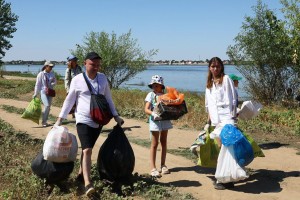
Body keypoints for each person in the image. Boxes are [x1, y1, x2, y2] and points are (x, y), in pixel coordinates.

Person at [54, 52, 124, 196]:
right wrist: (59, 119)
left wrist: (116, 116)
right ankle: (88, 183)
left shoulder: (103, 78)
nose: (96, 67)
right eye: (93, 64)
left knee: (89, 148)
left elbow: (108, 99)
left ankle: (80, 174)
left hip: (98, 120)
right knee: (87, 150)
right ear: (85, 63)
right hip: (83, 119)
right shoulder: (77, 80)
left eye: (98, 65)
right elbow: (69, 100)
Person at [204, 57, 245, 190]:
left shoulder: (226, 79)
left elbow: (233, 98)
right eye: (213, 66)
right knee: (222, 146)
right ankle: (227, 177)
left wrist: (233, 117)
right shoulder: (209, 83)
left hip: (227, 116)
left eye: (218, 66)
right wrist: (208, 121)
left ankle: (224, 178)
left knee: (227, 147)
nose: (215, 69)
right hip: (217, 119)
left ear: (221, 67)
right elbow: (208, 104)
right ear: (209, 68)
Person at [144, 75, 173, 178]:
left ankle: (163, 165)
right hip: (155, 121)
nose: (155, 87)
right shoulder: (150, 95)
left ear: (161, 86)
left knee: (164, 141)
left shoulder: (166, 95)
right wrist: (152, 113)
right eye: (153, 85)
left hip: (164, 120)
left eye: (157, 85)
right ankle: (153, 168)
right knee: (155, 143)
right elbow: (146, 109)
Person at [33, 61, 57, 127]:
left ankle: (45, 121)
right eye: (50, 66)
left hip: (50, 91)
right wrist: (35, 93)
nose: (51, 68)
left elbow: (55, 81)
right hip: (43, 92)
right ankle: (43, 121)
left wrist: (53, 83)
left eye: (52, 67)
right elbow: (37, 84)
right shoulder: (41, 74)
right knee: (46, 105)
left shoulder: (52, 73)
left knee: (48, 107)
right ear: (46, 66)